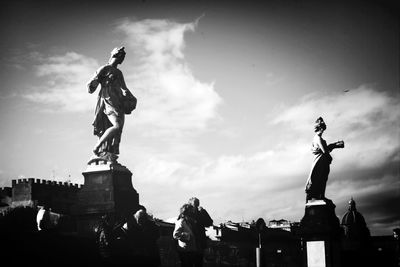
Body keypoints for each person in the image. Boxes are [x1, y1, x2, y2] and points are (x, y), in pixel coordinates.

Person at [87, 46, 135, 162]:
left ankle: (107, 152)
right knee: (116, 126)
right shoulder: (104, 69)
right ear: (116, 55)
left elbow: (124, 88)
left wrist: (129, 96)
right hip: (108, 100)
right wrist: (94, 82)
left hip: (118, 102)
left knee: (118, 130)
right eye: (121, 56)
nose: (122, 59)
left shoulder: (119, 73)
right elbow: (90, 87)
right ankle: (97, 148)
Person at [305, 117, 344, 202]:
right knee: (319, 178)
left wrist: (334, 145)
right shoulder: (317, 138)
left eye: (323, 128)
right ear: (319, 128)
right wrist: (330, 157)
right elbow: (324, 151)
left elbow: (326, 149)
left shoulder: (319, 138)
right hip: (320, 162)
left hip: (322, 161)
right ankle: (318, 196)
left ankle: (321, 195)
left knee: (323, 178)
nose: (323, 130)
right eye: (322, 128)